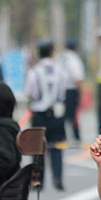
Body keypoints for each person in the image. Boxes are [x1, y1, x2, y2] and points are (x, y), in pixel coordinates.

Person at [24, 40, 68, 191]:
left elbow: (32, 93)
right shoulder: (60, 70)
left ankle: (37, 180)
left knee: (38, 149)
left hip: (39, 114)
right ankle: (58, 178)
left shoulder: (34, 71)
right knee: (57, 147)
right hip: (56, 113)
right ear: (51, 53)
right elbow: (63, 92)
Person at [62, 39, 86, 143]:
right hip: (72, 90)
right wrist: (80, 92)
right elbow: (77, 78)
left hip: (62, 90)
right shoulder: (74, 59)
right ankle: (76, 136)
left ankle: (63, 135)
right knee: (74, 115)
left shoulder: (61, 58)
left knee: (65, 115)